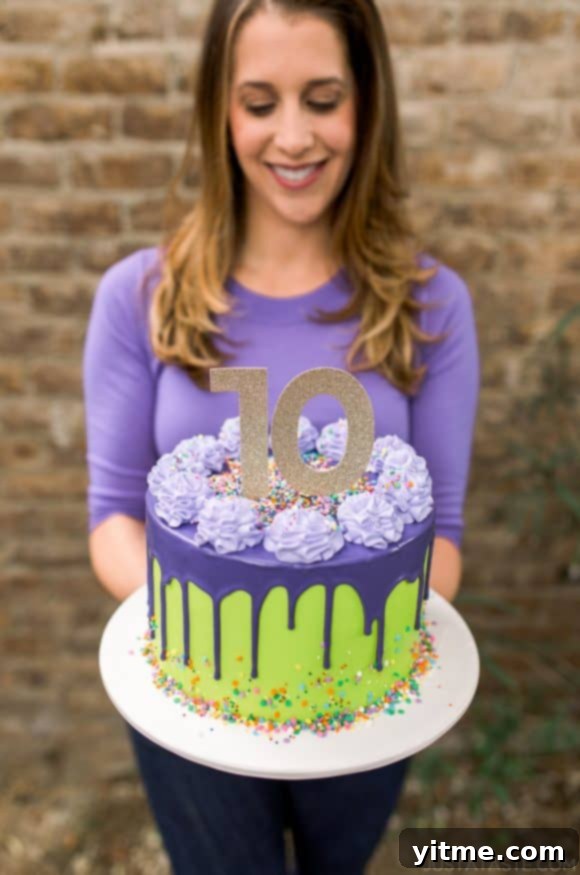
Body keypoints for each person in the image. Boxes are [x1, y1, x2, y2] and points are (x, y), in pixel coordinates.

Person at [83, 1, 479, 873]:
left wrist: (331, 641)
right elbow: (114, 516)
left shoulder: (432, 305)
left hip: (367, 686)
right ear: (218, 112)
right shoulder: (137, 296)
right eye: (259, 102)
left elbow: (439, 535)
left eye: (323, 97)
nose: (293, 136)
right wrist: (222, 637)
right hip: (196, 689)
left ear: (367, 104)